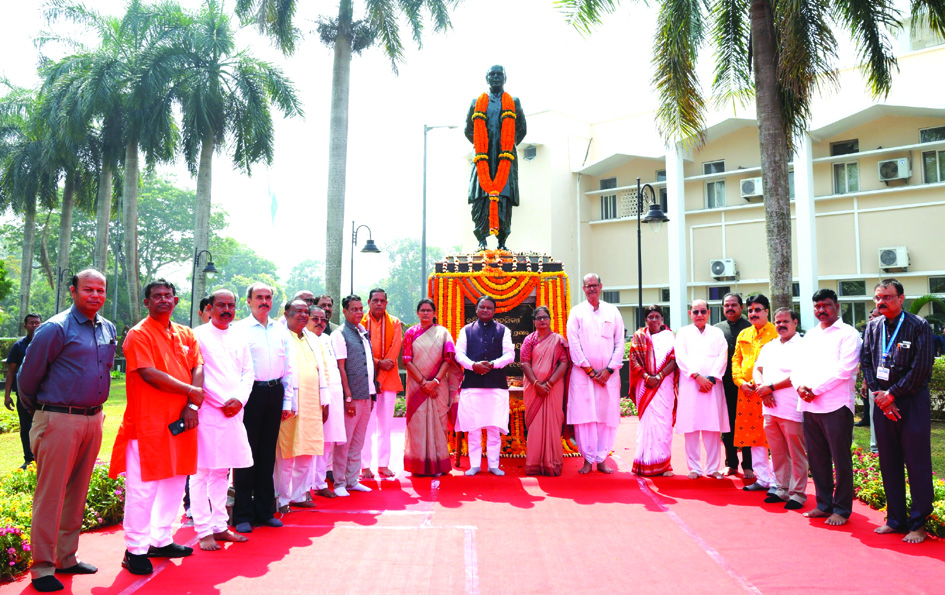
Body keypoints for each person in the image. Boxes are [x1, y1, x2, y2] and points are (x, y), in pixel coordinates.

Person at [16, 271, 116, 592]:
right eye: (88, 289)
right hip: (58, 418)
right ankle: (43, 567)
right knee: (51, 494)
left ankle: (66, 557)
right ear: (73, 291)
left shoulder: (107, 328)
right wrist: (43, 414)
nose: (95, 295)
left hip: (93, 418)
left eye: (100, 290)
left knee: (77, 491)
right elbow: (27, 378)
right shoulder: (55, 328)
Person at [110, 279, 203, 575]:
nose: (163, 299)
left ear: (175, 301)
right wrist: (191, 391)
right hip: (148, 426)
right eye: (156, 296)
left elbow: (198, 366)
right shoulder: (139, 334)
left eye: (168, 295)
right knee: (143, 490)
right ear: (147, 302)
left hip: (182, 423)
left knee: (175, 484)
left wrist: (192, 405)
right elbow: (149, 374)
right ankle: (135, 549)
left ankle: (161, 539)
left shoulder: (185, 333)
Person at [861, 279, 935, 544]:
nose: (881, 302)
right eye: (878, 297)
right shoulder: (872, 327)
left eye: (887, 297)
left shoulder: (919, 326)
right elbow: (867, 362)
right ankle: (895, 520)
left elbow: (922, 368)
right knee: (888, 461)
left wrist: (892, 394)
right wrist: (881, 396)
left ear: (901, 299)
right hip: (882, 403)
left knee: (917, 463)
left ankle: (918, 524)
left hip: (912, 402)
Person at [792, 289, 862, 527]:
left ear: (837, 306)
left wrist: (815, 390)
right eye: (817, 306)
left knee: (840, 460)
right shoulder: (809, 335)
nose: (821, 310)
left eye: (826, 305)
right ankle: (823, 505)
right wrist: (800, 387)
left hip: (836, 406)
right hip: (809, 406)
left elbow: (845, 370)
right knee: (817, 458)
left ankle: (842, 510)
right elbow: (797, 366)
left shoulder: (849, 334)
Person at [191, 289, 253, 551]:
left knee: (222, 471)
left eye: (231, 305)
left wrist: (239, 400)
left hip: (234, 413)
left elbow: (248, 372)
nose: (227, 309)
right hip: (207, 411)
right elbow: (195, 372)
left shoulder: (240, 335)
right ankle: (203, 530)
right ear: (209, 308)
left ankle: (219, 526)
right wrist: (221, 402)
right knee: (200, 472)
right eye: (221, 305)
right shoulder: (197, 335)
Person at [232, 283, 296, 533]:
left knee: (267, 454)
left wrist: (287, 401)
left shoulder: (281, 331)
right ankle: (243, 514)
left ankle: (265, 510)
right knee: (246, 455)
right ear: (248, 301)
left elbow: (289, 367)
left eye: (268, 297)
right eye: (259, 297)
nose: (264, 301)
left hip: (274, 392)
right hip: (250, 394)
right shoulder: (239, 330)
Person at [566, 274, 625, 475]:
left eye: (594, 285)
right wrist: (590, 371)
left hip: (608, 376)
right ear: (583, 289)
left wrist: (608, 370)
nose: (591, 288)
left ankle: (601, 460)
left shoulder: (613, 311)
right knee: (585, 418)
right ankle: (586, 460)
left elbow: (620, 343)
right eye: (587, 286)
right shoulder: (576, 313)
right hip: (583, 376)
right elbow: (573, 344)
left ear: (601, 286)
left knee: (605, 418)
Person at [465, 64, 527, 251]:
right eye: (492, 74)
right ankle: (481, 241)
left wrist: (506, 143)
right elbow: (469, 130)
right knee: (480, 199)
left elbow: (522, 129)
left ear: (505, 78)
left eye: (499, 74)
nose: (496, 77)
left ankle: (502, 243)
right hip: (482, 159)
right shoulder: (477, 102)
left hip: (504, 160)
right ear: (487, 78)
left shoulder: (513, 101)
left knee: (504, 199)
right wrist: (483, 144)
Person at [753, 308, 808, 509]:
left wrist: (772, 387)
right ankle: (782, 489)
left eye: (785, 321)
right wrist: (762, 389)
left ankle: (798, 493)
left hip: (791, 408)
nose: (781, 325)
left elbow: (798, 374)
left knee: (796, 452)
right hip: (769, 408)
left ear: (795, 322)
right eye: (777, 322)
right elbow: (757, 369)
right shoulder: (769, 346)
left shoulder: (803, 345)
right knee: (776, 452)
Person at [275, 300, 326, 512]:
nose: (303, 316)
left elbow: (324, 371)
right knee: (286, 453)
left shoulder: (313, 338)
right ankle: (282, 498)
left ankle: (298, 494)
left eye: (307, 312)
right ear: (287, 314)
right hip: (290, 403)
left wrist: (326, 401)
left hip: (312, 404)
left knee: (307, 450)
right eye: (298, 312)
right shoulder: (279, 335)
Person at [456, 296, 515, 476]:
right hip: (472, 385)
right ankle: (474, 464)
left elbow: (510, 355)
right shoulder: (466, 330)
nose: (486, 310)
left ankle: (493, 464)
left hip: (496, 385)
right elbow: (459, 354)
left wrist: (493, 364)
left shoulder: (503, 330)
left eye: (489, 307)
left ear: (494, 310)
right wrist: (473, 365)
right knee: (473, 428)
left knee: (493, 427)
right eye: (482, 307)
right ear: (476, 309)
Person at [402, 299, 459, 476]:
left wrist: (434, 381)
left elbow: (448, 359)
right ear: (417, 313)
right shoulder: (410, 332)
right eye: (422, 310)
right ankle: (417, 466)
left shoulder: (442, 333)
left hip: (438, 387)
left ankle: (439, 465)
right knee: (417, 424)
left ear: (434, 313)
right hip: (416, 386)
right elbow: (406, 361)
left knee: (439, 423)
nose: (425, 313)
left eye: (429, 310)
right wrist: (423, 383)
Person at [674, 300, 729, 479]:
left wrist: (711, 379)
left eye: (702, 311)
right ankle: (695, 468)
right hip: (691, 385)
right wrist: (697, 377)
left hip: (712, 386)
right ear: (690, 313)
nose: (699, 315)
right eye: (695, 311)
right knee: (691, 427)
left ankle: (713, 468)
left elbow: (723, 356)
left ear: (709, 313)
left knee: (712, 428)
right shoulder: (683, 333)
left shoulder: (717, 333)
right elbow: (680, 357)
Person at [731, 294, 778, 493]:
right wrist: (740, 382)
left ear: (767, 311)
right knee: (755, 437)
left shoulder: (777, 333)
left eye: (757, 309)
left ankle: (777, 481)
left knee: (774, 437)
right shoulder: (744, 335)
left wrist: (762, 384)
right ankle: (763, 478)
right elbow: (736, 361)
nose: (753, 313)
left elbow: (779, 365)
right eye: (750, 310)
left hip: (770, 393)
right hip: (747, 395)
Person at [331, 295, 377, 496]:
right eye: (354, 309)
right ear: (345, 311)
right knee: (345, 442)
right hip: (352, 397)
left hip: (366, 394)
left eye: (360, 309)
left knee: (358, 441)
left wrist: (372, 393)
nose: (359, 312)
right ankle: (339, 482)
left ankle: (352, 479)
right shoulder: (340, 334)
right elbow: (341, 368)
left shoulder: (362, 332)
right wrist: (348, 396)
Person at [520, 305, 570, 476]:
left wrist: (548, 384)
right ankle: (534, 463)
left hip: (553, 388)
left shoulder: (558, 340)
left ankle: (552, 463)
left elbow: (564, 362)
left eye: (545, 317)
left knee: (553, 424)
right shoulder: (529, 340)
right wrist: (536, 384)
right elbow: (524, 363)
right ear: (534, 321)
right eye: (538, 318)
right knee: (535, 425)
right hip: (534, 389)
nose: (542, 320)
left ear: (550, 320)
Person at [628, 305, 677, 477]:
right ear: (645, 319)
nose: (654, 320)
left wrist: (660, 376)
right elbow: (633, 359)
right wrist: (648, 377)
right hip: (645, 385)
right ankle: (643, 463)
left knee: (663, 426)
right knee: (647, 424)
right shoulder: (639, 336)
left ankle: (663, 465)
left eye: (657, 316)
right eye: (650, 317)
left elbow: (674, 360)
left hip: (664, 386)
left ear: (662, 319)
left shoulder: (670, 336)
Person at [360, 288, 403, 479]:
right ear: (368, 302)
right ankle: (364, 466)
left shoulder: (394, 322)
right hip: (366, 379)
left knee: (385, 425)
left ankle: (383, 464)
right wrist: (377, 363)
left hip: (389, 378)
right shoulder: (360, 322)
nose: (379, 303)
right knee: (366, 426)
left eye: (382, 300)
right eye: (375, 300)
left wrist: (383, 368)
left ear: (386, 303)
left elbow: (395, 349)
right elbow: (361, 351)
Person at [307, 305, 346, 498]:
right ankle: (306, 487)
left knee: (327, 442)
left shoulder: (328, 339)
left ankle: (320, 482)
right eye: (315, 318)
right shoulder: (303, 339)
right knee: (310, 443)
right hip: (312, 398)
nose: (320, 323)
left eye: (323, 319)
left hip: (333, 397)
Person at [714, 293, 752, 477]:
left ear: (741, 307)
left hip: (746, 386)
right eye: (726, 305)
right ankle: (731, 463)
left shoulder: (751, 328)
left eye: (734, 305)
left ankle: (748, 466)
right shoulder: (716, 330)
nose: (730, 308)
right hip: (723, 384)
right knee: (727, 424)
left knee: (747, 424)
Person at [4, 312, 41, 469]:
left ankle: (41, 458)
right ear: (25, 326)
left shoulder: (45, 344)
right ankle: (29, 458)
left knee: (43, 426)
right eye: (31, 323)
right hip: (23, 395)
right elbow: (11, 372)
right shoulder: (19, 347)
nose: (34, 326)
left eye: (37, 323)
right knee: (26, 426)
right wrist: (7, 396)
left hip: (43, 395)